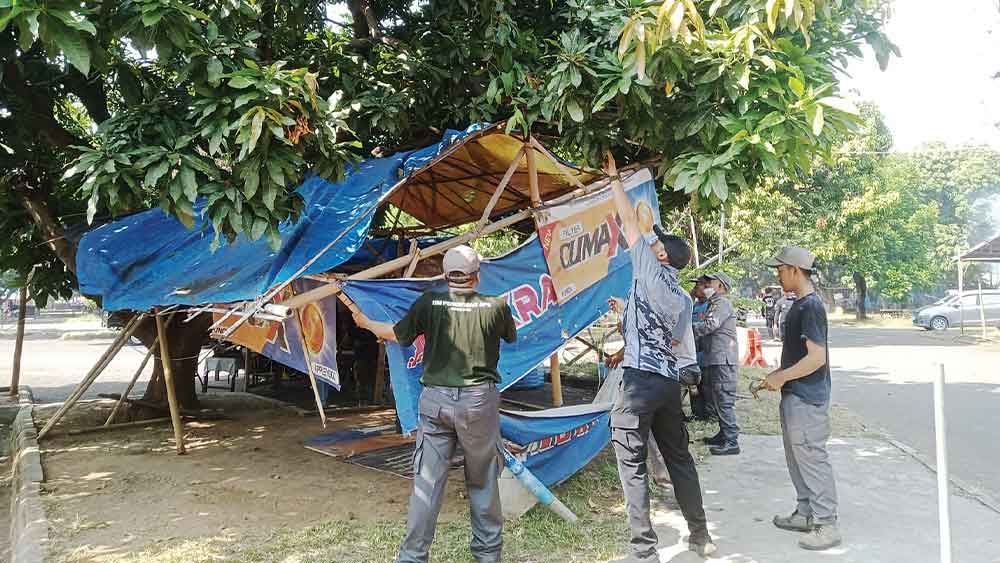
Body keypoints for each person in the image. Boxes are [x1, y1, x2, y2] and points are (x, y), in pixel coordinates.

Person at [352, 245, 517, 563]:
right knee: (482, 480)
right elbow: (509, 336)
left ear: (445, 275)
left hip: (435, 403)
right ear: (476, 276)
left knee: (426, 484)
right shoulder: (496, 306)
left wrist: (365, 322)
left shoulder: (428, 303)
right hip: (479, 403)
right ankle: (488, 556)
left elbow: (395, 334)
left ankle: (412, 557)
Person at [604, 154, 715, 561]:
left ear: (663, 256)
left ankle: (645, 551)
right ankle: (700, 535)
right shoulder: (684, 300)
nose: (649, 243)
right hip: (668, 384)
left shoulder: (648, 269)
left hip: (638, 383)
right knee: (679, 459)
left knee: (631, 465)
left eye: (655, 244)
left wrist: (615, 180)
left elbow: (630, 223)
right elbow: (669, 340)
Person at [761, 245, 841, 551]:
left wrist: (780, 376)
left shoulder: (811, 307)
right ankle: (806, 512)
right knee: (797, 458)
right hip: (795, 394)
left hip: (808, 398)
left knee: (811, 457)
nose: (778, 276)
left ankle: (826, 523)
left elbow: (816, 358)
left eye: (780, 270)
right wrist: (777, 376)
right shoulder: (798, 305)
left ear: (795, 270)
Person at [692, 272, 740, 455]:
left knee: (724, 400)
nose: (707, 285)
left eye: (711, 282)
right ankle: (724, 434)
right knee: (717, 399)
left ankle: (731, 440)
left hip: (723, 361)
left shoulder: (722, 304)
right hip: (715, 359)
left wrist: (687, 330)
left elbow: (710, 325)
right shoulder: (714, 304)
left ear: (720, 286)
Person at [688, 276, 714, 422]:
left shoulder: (710, 306)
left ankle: (709, 415)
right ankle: (697, 413)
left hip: (706, 352)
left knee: (707, 386)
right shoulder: (694, 306)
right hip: (693, 352)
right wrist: (690, 297)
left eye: (698, 286)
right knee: (694, 384)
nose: (695, 289)